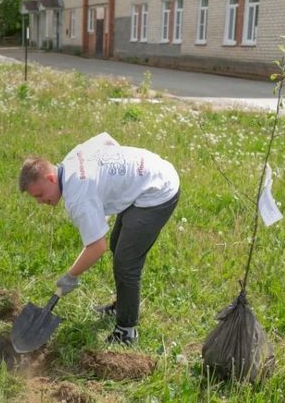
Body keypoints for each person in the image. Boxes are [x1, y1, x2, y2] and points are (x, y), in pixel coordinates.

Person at [19, 132, 179, 345]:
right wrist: (117, 179)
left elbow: (96, 247)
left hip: (158, 190)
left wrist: (71, 276)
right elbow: (106, 139)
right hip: (149, 170)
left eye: (39, 195)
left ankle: (126, 331)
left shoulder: (78, 197)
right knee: (117, 244)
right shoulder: (72, 158)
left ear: (50, 178)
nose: (40, 202)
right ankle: (123, 306)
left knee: (126, 262)